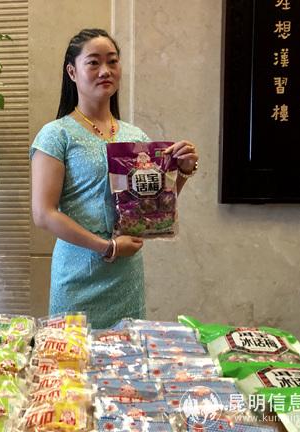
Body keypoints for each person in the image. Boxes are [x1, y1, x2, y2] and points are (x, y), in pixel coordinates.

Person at [30, 29, 198, 329]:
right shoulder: (56, 135)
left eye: (112, 61)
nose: (105, 70)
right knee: (73, 353)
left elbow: (153, 206)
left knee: (127, 354)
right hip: (76, 273)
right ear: (72, 72)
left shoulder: (136, 137)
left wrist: (182, 171)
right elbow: (44, 214)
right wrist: (107, 247)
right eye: (93, 62)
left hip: (125, 276)